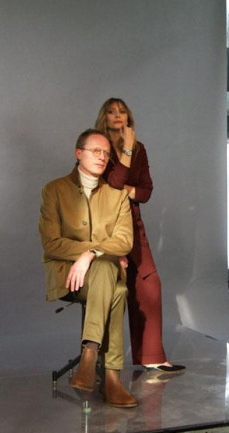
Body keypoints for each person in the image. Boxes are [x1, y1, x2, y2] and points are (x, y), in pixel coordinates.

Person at [38, 128, 137, 408]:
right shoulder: (54, 190)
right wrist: (94, 252)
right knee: (113, 278)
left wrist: (91, 254)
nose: (102, 157)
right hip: (70, 277)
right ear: (78, 153)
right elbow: (51, 243)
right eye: (95, 151)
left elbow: (125, 241)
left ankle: (91, 354)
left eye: (106, 153)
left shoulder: (117, 196)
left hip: (103, 276)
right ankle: (111, 376)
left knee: (112, 282)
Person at [94, 98, 185, 373]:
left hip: (132, 222)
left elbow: (145, 191)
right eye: (111, 111)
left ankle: (152, 356)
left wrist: (124, 188)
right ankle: (100, 359)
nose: (117, 115)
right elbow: (111, 184)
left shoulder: (140, 148)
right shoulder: (98, 146)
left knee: (149, 284)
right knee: (111, 288)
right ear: (104, 117)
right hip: (104, 225)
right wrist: (126, 152)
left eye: (122, 111)